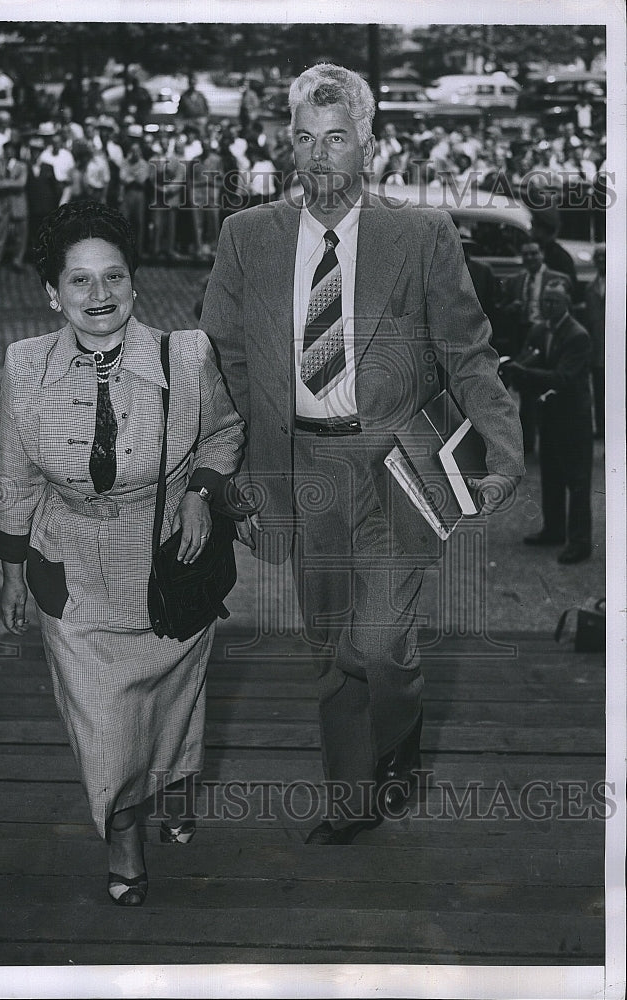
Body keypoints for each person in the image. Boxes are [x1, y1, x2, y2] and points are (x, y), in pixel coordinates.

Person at [200, 63, 524, 845]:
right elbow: (222, 361)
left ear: (369, 145)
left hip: (395, 469)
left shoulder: (420, 236)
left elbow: (468, 353)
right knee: (326, 646)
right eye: (306, 139)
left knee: (378, 643)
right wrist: (233, 473)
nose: (320, 157)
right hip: (298, 468)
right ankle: (350, 800)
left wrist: (505, 451)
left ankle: (401, 731)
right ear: (290, 144)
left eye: (337, 138)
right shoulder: (249, 238)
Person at [0, 200, 244, 904]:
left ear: (135, 283)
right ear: (53, 293)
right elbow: (13, 473)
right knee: (104, 723)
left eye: (114, 278)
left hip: (168, 561)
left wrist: (200, 490)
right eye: (79, 281)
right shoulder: (22, 366)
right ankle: (124, 832)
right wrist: (12, 571)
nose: (98, 296)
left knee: (169, 705)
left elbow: (224, 433)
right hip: (71, 568)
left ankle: (174, 780)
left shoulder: (187, 354)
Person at [505, 280, 593, 564]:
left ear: (567, 303)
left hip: (573, 418)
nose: (548, 306)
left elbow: (563, 378)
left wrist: (523, 373)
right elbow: (527, 361)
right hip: (550, 415)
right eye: (545, 301)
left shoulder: (578, 336)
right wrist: (518, 372)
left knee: (577, 481)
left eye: (555, 301)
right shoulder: (539, 329)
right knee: (551, 475)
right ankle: (554, 530)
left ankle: (580, 542)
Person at [497, 240, 569, 454]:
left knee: (548, 384)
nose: (530, 258)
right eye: (526, 254)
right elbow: (501, 308)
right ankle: (527, 443)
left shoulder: (558, 279)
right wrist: (512, 307)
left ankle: (552, 440)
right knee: (525, 386)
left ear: (542, 254)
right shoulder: (515, 281)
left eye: (534, 253)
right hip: (523, 336)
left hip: (548, 335)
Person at [0, 140, 28, 272]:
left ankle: (17, 261)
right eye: (6, 149)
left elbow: (21, 183)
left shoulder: (22, 166)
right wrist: (11, 183)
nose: (9, 152)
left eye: (11, 149)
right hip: (2, 204)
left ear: (15, 151)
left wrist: (4, 183)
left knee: (20, 235)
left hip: (18, 203)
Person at [583, 243, 605, 438]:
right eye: (597, 257)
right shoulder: (591, 287)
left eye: (604, 256)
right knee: (599, 389)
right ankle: (601, 427)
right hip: (599, 348)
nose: (600, 261)